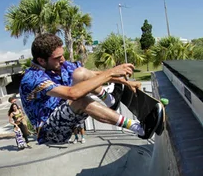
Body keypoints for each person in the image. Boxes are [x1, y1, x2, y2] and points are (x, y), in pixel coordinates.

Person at [20, 34, 163, 145]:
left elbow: (93, 75)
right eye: (57, 58)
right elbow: (73, 94)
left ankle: (110, 100)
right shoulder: (32, 78)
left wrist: (123, 81)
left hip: (66, 114)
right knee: (79, 100)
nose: (62, 59)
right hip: (49, 131)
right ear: (41, 61)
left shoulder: (60, 65)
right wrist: (111, 72)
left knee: (81, 73)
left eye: (62, 55)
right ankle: (140, 128)